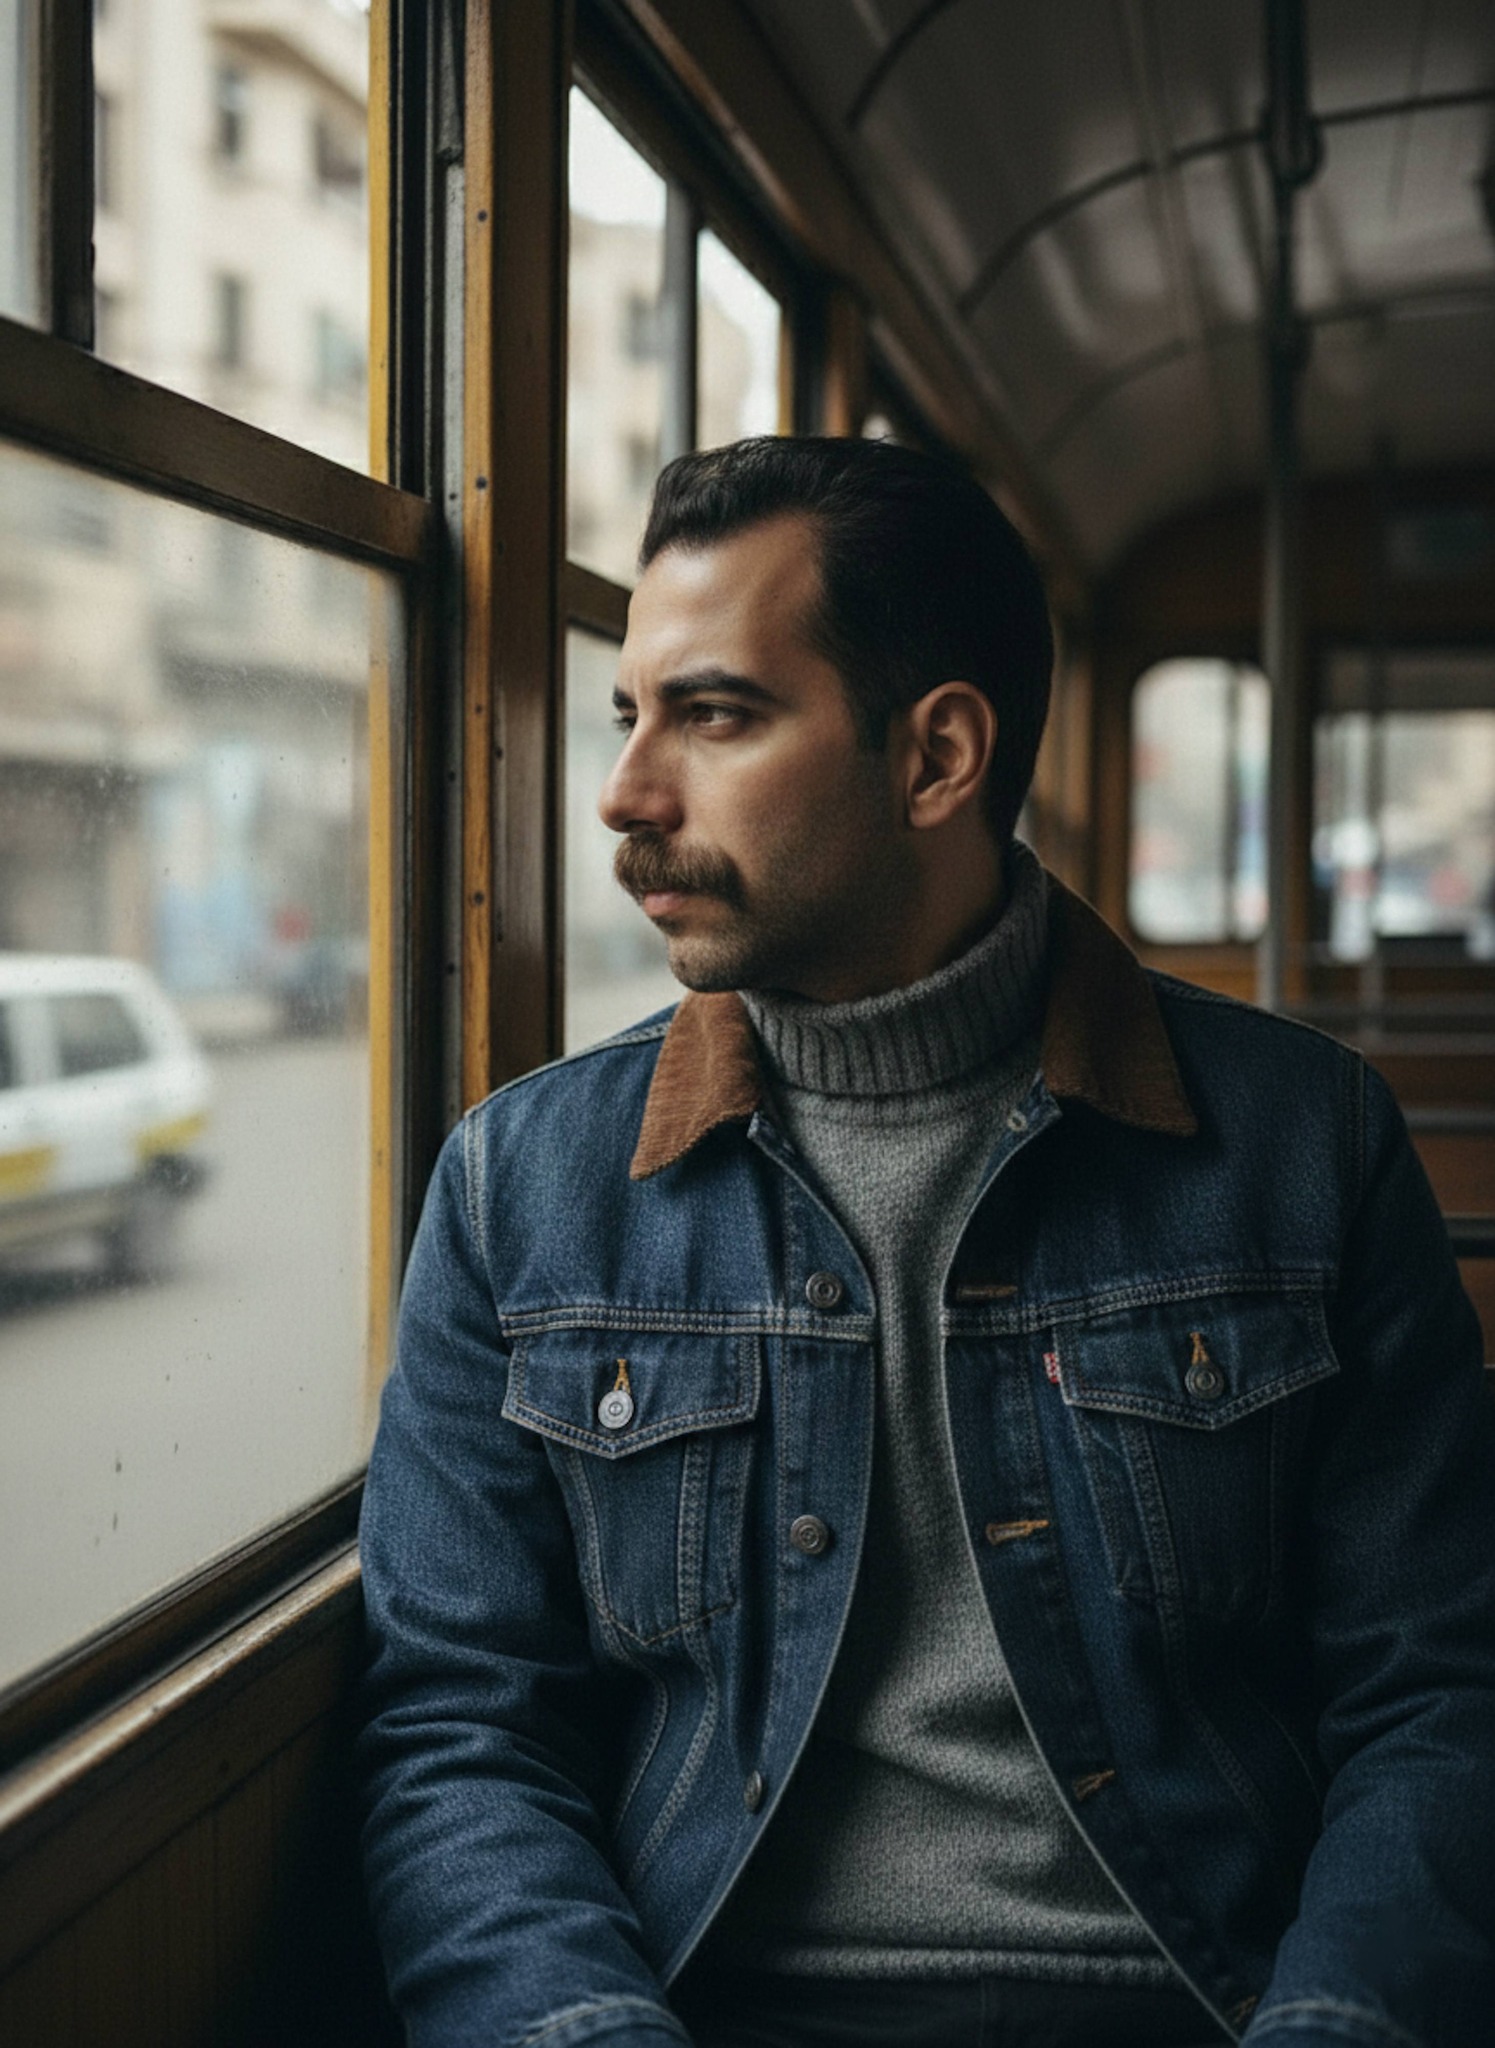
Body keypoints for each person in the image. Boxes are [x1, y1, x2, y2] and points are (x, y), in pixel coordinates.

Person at [356, 437, 1495, 2048]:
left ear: (936, 756)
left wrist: (1340, 2025)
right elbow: (464, 1734)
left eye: (717, 714)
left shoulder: (1305, 1148)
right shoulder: (522, 1186)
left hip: (1206, 1993)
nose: (624, 793)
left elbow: (1441, 1694)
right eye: (631, 717)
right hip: (698, 2001)